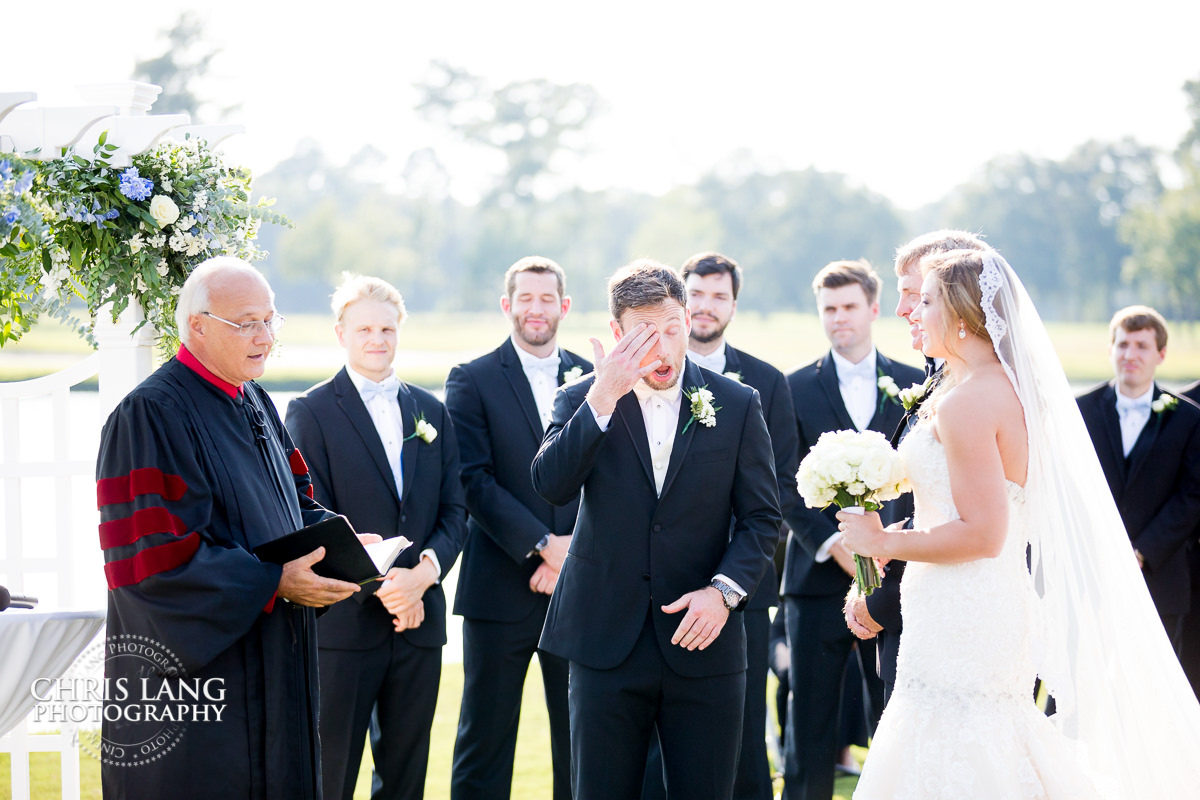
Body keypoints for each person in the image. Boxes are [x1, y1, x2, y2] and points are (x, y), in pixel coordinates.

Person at [840, 248, 1200, 799]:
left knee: (955, 742)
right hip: (978, 601)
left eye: (927, 300)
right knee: (988, 738)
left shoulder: (966, 404)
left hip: (964, 607)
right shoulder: (1004, 392)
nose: (913, 312)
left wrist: (884, 540)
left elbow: (984, 533)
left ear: (961, 315)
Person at [96, 257, 366, 799]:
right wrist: (273, 581)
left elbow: (293, 509)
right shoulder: (149, 415)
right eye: (246, 323)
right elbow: (152, 562)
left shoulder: (256, 402)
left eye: (271, 320)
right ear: (197, 325)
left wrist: (344, 545)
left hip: (274, 673)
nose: (265, 337)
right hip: (197, 699)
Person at [532, 259, 781, 800]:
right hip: (605, 641)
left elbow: (763, 518)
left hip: (704, 641)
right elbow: (550, 484)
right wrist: (603, 396)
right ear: (618, 335)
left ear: (688, 321)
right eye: (646, 335)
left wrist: (724, 594)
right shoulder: (580, 399)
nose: (664, 348)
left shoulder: (737, 404)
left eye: (673, 329)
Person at [285, 274, 467, 800]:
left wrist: (423, 578)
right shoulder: (311, 411)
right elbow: (308, 513)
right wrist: (389, 588)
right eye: (364, 327)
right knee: (331, 776)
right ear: (340, 333)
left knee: (406, 777)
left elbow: (456, 509)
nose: (377, 339)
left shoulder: (430, 411)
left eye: (388, 328)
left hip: (420, 623)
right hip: (344, 624)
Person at [639, 252, 801, 800]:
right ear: (681, 304)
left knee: (740, 736)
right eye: (698, 295)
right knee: (651, 743)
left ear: (734, 304)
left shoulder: (765, 383)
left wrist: (726, 582)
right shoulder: (636, 379)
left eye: (720, 296)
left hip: (739, 593)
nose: (707, 306)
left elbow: (772, 493)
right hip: (654, 593)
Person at [444, 256, 590, 800]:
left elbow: (608, 476)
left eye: (546, 298)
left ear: (563, 306)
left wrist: (570, 556)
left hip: (578, 587)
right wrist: (543, 547)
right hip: (499, 587)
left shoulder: (596, 379)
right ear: (507, 305)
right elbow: (473, 479)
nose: (536, 308)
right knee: (485, 736)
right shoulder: (471, 378)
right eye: (524, 298)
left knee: (579, 735)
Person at [781, 259, 923, 800]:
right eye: (828, 310)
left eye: (848, 307)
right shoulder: (791, 388)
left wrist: (883, 548)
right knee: (809, 726)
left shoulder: (915, 383)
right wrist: (835, 543)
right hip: (815, 583)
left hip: (896, 579)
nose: (839, 319)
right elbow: (781, 482)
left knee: (892, 714)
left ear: (873, 309)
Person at [843, 231, 990, 704]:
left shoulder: (976, 395)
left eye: (917, 294)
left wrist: (882, 595)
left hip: (963, 624)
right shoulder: (940, 382)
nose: (904, 309)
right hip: (919, 618)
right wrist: (872, 567)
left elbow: (991, 522)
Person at [1075, 306, 1200, 655]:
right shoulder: (1078, 412)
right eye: (1123, 344)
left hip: (1161, 581)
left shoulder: (1188, 418)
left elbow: (1191, 497)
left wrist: (1142, 552)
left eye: (1142, 346)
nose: (1130, 355)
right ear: (1111, 349)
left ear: (1161, 354)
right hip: (1089, 573)